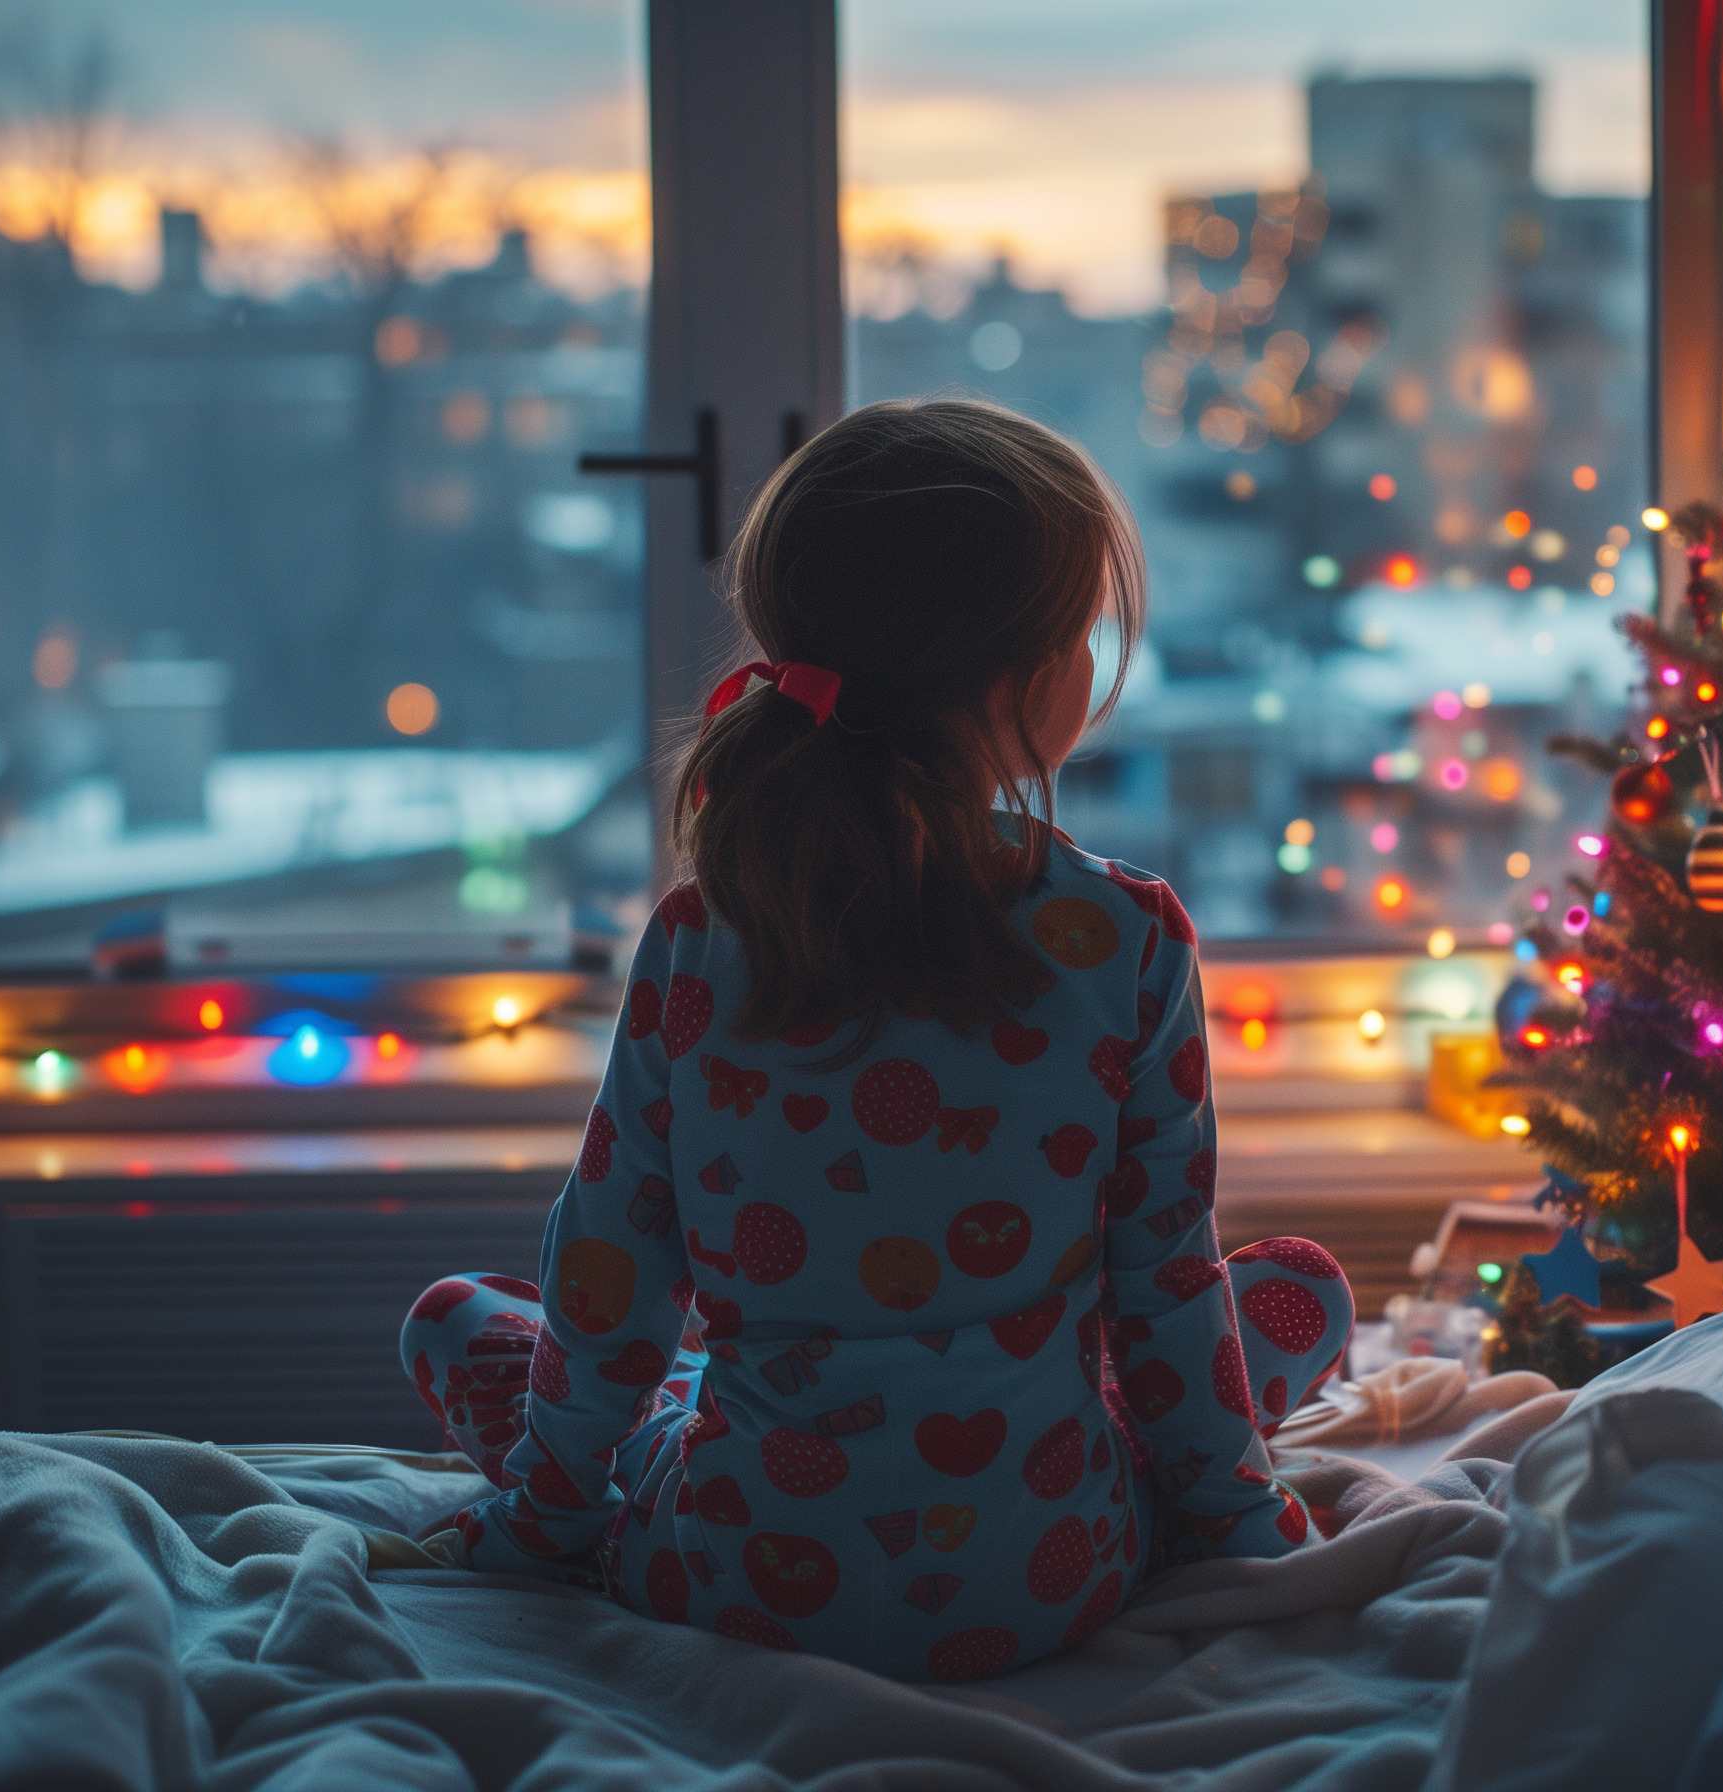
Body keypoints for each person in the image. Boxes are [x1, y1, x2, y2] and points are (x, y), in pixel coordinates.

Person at [398, 398, 1354, 1682]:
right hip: (1049, 1573)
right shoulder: (1127, 938)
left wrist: (543, 1517)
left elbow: (611, 1272)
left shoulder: (700, 937)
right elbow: (1165, 1284)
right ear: (1021, 682)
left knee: (459, 1318)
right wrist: (1242, 1524)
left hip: (737, 1575)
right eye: (1082, 633)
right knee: (1297, 1288)